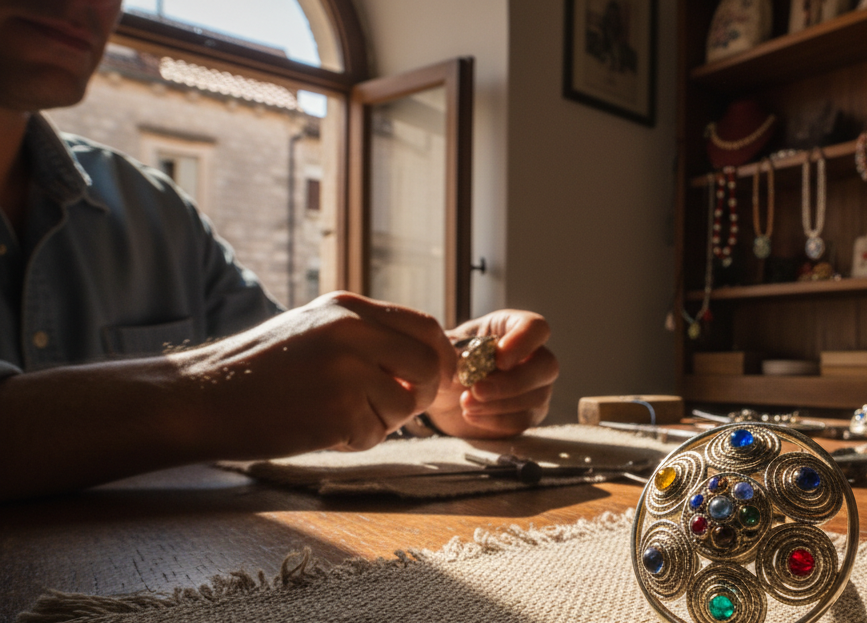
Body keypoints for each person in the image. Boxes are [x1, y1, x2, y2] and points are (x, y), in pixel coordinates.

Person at [0, 0, 558, 501]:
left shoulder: (159, 212)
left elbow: (303, 390)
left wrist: (438, 392)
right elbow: (254, 384)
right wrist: (211, 396)